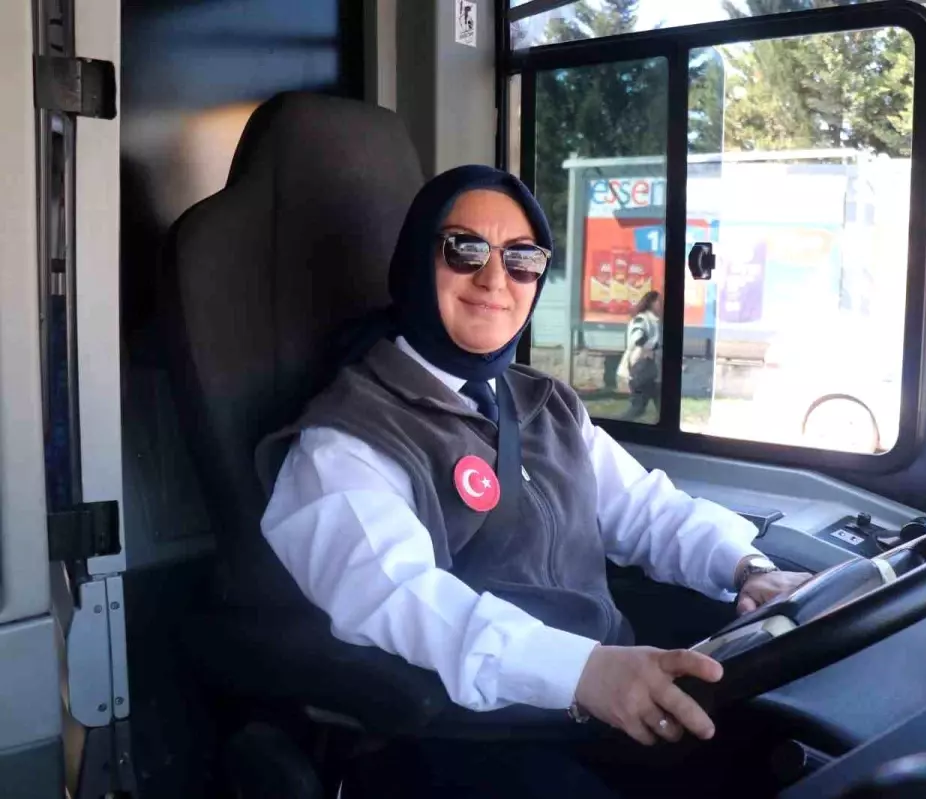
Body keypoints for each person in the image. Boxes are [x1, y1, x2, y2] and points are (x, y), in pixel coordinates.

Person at [259, 165, 812, 795]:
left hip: (610, 703)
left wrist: (748, 568)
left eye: (522, 258)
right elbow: (399, 598)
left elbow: (645, 510)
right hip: (475, 736)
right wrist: (581, 672)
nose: (495, 279)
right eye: (464, 250)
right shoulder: (347, 439)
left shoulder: (545, 403)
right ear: (416, 262)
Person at [618, 290, 663, 421]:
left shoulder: (655, 321)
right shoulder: (641, 319)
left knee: (663, 408)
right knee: (638, 408)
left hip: (653, 373)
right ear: (651, 303)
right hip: (641, 370)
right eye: (659, 301)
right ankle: (616, 426)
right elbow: (637, 339)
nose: (662, 304)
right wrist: (654, 346)